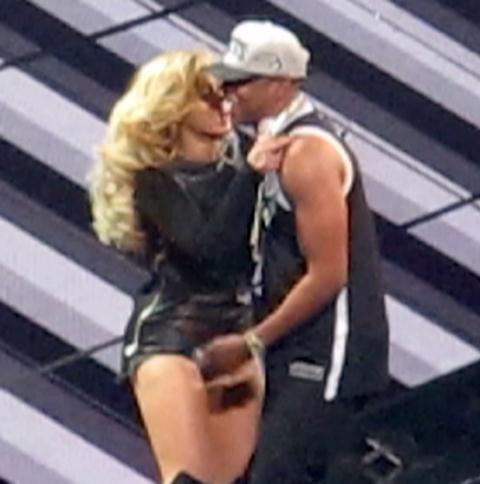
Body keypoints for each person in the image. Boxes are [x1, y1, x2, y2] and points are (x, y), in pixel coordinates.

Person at [200, 21, 390, 482]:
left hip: (329, 353)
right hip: (299, 349)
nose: (228, 91)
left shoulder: (307, 155)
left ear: (280, 83)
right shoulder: (269, 147)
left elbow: (329, 275)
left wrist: (251, 342)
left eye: (241, 81)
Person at [88, 50, 284, 484]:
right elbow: (205, 249)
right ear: (172, 105)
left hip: (235, 335)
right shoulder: (153, 179)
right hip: (172, 337)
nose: (223, 104)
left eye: (224, 93)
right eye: (206, 96)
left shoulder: (246, 162)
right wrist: (251, 177)